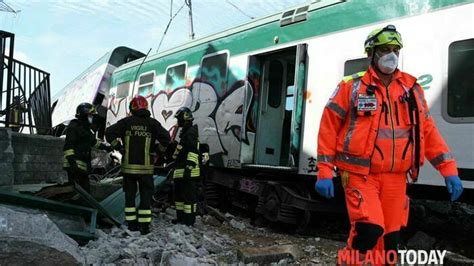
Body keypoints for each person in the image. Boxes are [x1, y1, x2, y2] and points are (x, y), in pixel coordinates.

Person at [315, 25, 463, 262]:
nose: (391, 55)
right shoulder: (350, 87)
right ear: (371, 53)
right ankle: (347, 261)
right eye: (385, 49)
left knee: (391, 238)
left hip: (396, 178)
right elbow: (328, 127)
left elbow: (427, 130)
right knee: (369, 230)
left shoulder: (411, 89)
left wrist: (448, 170)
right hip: (360, 175)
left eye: (395, 49)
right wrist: (324, 170)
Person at [105, 95, 170, 235]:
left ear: (131, 108)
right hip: (146, 169)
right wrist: (158, 151)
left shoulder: (126, 122)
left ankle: (132, 226)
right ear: (146, 107)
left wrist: (119, 147)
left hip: (129, 169)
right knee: (146, 196)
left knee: (129, 196)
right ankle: (144, 227)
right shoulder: (152, 123)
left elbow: (108, 132)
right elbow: (166, 138)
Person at [63, 103, 112, 193]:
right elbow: (68, 147)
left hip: (82, 167)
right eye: (90, 115)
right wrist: (72, 163)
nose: (92, 118)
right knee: (78, 192)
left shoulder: (85, 129)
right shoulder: (74, 127)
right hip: (74, 166)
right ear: (83, 115)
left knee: (83, 192)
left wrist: (107, 147)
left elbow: (93, 142)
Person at [172, 106, 201, 226]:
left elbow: (193, 151)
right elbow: (180, 152)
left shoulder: (190, 133)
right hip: (181, 172)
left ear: (184, 119)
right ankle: (181, 218)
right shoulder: (185, 133)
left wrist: (189, 167)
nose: (177, 122)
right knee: (179, 198)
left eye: (179, 119)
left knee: (189, 199)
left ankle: (189, 221)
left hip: (188, 173)